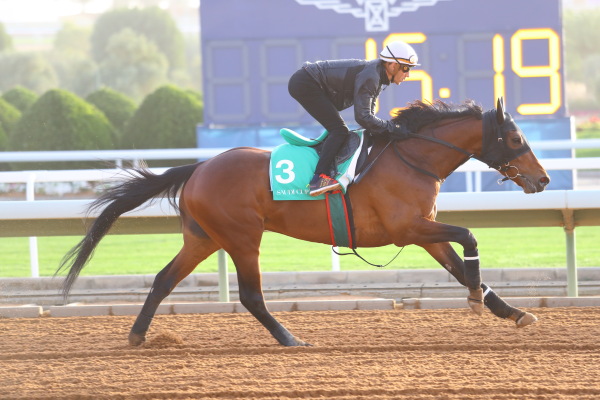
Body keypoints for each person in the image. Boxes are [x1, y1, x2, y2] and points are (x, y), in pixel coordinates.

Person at [288, 40, 419, 196]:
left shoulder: (377, 75)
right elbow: (363, 117)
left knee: (340, 130)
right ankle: (319, 179)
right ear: (392, 65)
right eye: (406, 68)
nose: (408, 74)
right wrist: (393, 128)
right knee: (339, 131)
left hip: (309, 81)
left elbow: (369, 119)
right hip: (306, 82)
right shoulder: (372, 76)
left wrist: (387, 129)